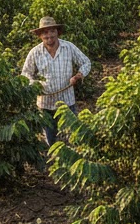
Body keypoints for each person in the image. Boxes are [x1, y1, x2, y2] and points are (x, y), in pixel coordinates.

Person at [20, 16, 91, 147]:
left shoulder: (68, 47)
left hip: (67, 101)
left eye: (52, 32)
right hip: (45, 103)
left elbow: (86, 62)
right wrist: (34, 84)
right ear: (40, 36)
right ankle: (54, 162)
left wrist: (78, 75)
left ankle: (72, 162)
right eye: (45, 33)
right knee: (50, 138)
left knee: (72, 136)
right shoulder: (35, 53)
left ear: (57, 32)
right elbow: (25, 74)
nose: (49, 36)